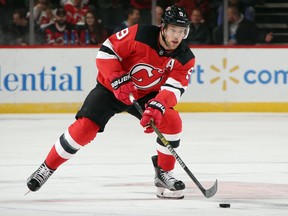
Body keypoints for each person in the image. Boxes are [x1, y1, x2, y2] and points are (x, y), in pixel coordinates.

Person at [26, 5, 195, 199]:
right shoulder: (140, 34)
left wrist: (157, 107)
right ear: (163, 28)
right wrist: (117, 78)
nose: (177, 36)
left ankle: (164, 173)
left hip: (144, 95)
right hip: (111, 89)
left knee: (171, 121)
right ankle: (46, 168)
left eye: (182, 31)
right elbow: (106, 51)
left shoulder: (185, 57)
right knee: (84, 129)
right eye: (173, 30)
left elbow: (174, 88)